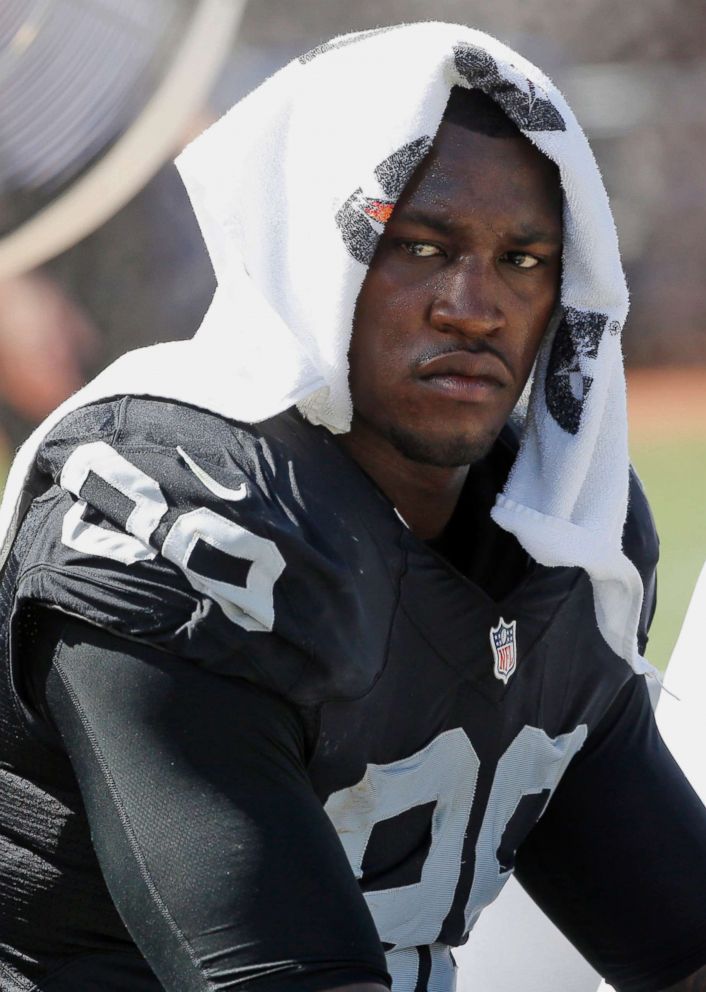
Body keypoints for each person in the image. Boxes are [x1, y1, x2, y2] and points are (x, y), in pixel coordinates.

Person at [0, 22, 705, 992]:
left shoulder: (558, 525)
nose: (474, 304)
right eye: (419, 244)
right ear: (302, 251)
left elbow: (673, 933)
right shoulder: (178, 504)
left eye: (525, 259)